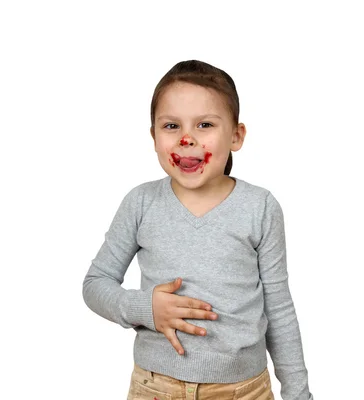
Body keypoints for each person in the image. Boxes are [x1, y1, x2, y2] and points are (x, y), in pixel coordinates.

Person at [82, 60, 314, 400]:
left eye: (204, 124)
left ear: (236, 135)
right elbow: (95, 284)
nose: (186, 138)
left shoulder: (260, 207)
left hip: (243, 390)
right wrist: (145, 308)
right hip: (155, 388)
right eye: (171, 125)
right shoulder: (141, 202)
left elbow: (278, 308)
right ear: (154, 136)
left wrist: (298, 393)